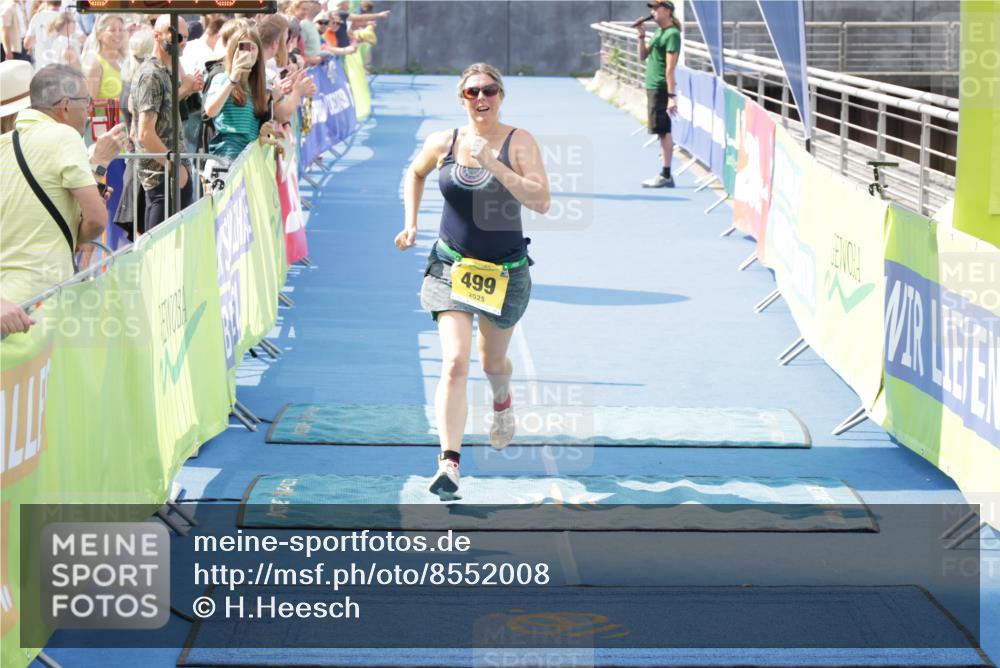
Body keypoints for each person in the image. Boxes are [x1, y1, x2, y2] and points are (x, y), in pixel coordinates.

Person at [394, 63, 551, 499]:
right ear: (461, 99)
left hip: (504, 273)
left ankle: (502, 401)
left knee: (491, 364)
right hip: (451, 267)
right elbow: (416, 172)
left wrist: (492, 164)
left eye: (489, 91)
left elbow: (542, 201)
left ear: (501, 96)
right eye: (471, 93)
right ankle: (449, 462)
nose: (480, 99)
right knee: (455, 362)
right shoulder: (444, 141)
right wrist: (410, 224)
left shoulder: (519, 142)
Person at [0, 64, 125, 333]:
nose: (90, 111)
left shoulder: (5, 145)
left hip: (9, 300)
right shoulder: (63, 136)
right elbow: (96, 220)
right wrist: (100, 163)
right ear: (66, 105)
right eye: (87, 102)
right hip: (40, 301)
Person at [129, 14, 203, 232]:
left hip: (171, 176)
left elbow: (162, 109)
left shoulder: (163, 71)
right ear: (157, 36)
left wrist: (185, 90)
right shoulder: (150, 75)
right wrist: (174, 167)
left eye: (186, 37)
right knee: (158, 255)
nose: (182, 42)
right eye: (177, 36)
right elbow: (144, 133)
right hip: (162, 179)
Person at [637, 0, 681, 188]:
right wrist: (641, 36)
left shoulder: (672, 34)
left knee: (664, 130)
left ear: (667, 11)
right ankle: (665, 173)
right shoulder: (658, 32)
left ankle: (666, 174)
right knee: (661, 131)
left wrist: (672, 97)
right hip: (653, 86)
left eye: (656, 8)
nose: (653, 11)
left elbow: (670, 69)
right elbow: (643, 56)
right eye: (652, 9)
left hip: (661, 88)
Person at [84, 14, 124, 99]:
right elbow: (89, 105)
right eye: (112, 30)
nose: (118, 34)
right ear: (99, 34)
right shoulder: (95, 64)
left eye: (121, 30)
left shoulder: (124, 60)